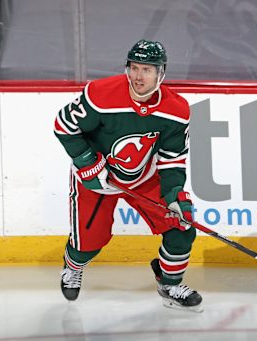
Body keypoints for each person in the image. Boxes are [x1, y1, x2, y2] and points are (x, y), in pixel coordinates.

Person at [53, 39, 202, 312]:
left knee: (181, 226)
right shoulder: (100, 94)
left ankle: (169, 283)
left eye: (146, 69)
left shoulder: (176, 109)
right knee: (88, 244)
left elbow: (172, 159)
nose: (138, 76)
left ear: (161, 73)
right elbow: (64, 125)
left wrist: (174, 194)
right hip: (97, 179)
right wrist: (87, 163)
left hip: (143, 177)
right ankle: (73, 267)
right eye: (134, 68)